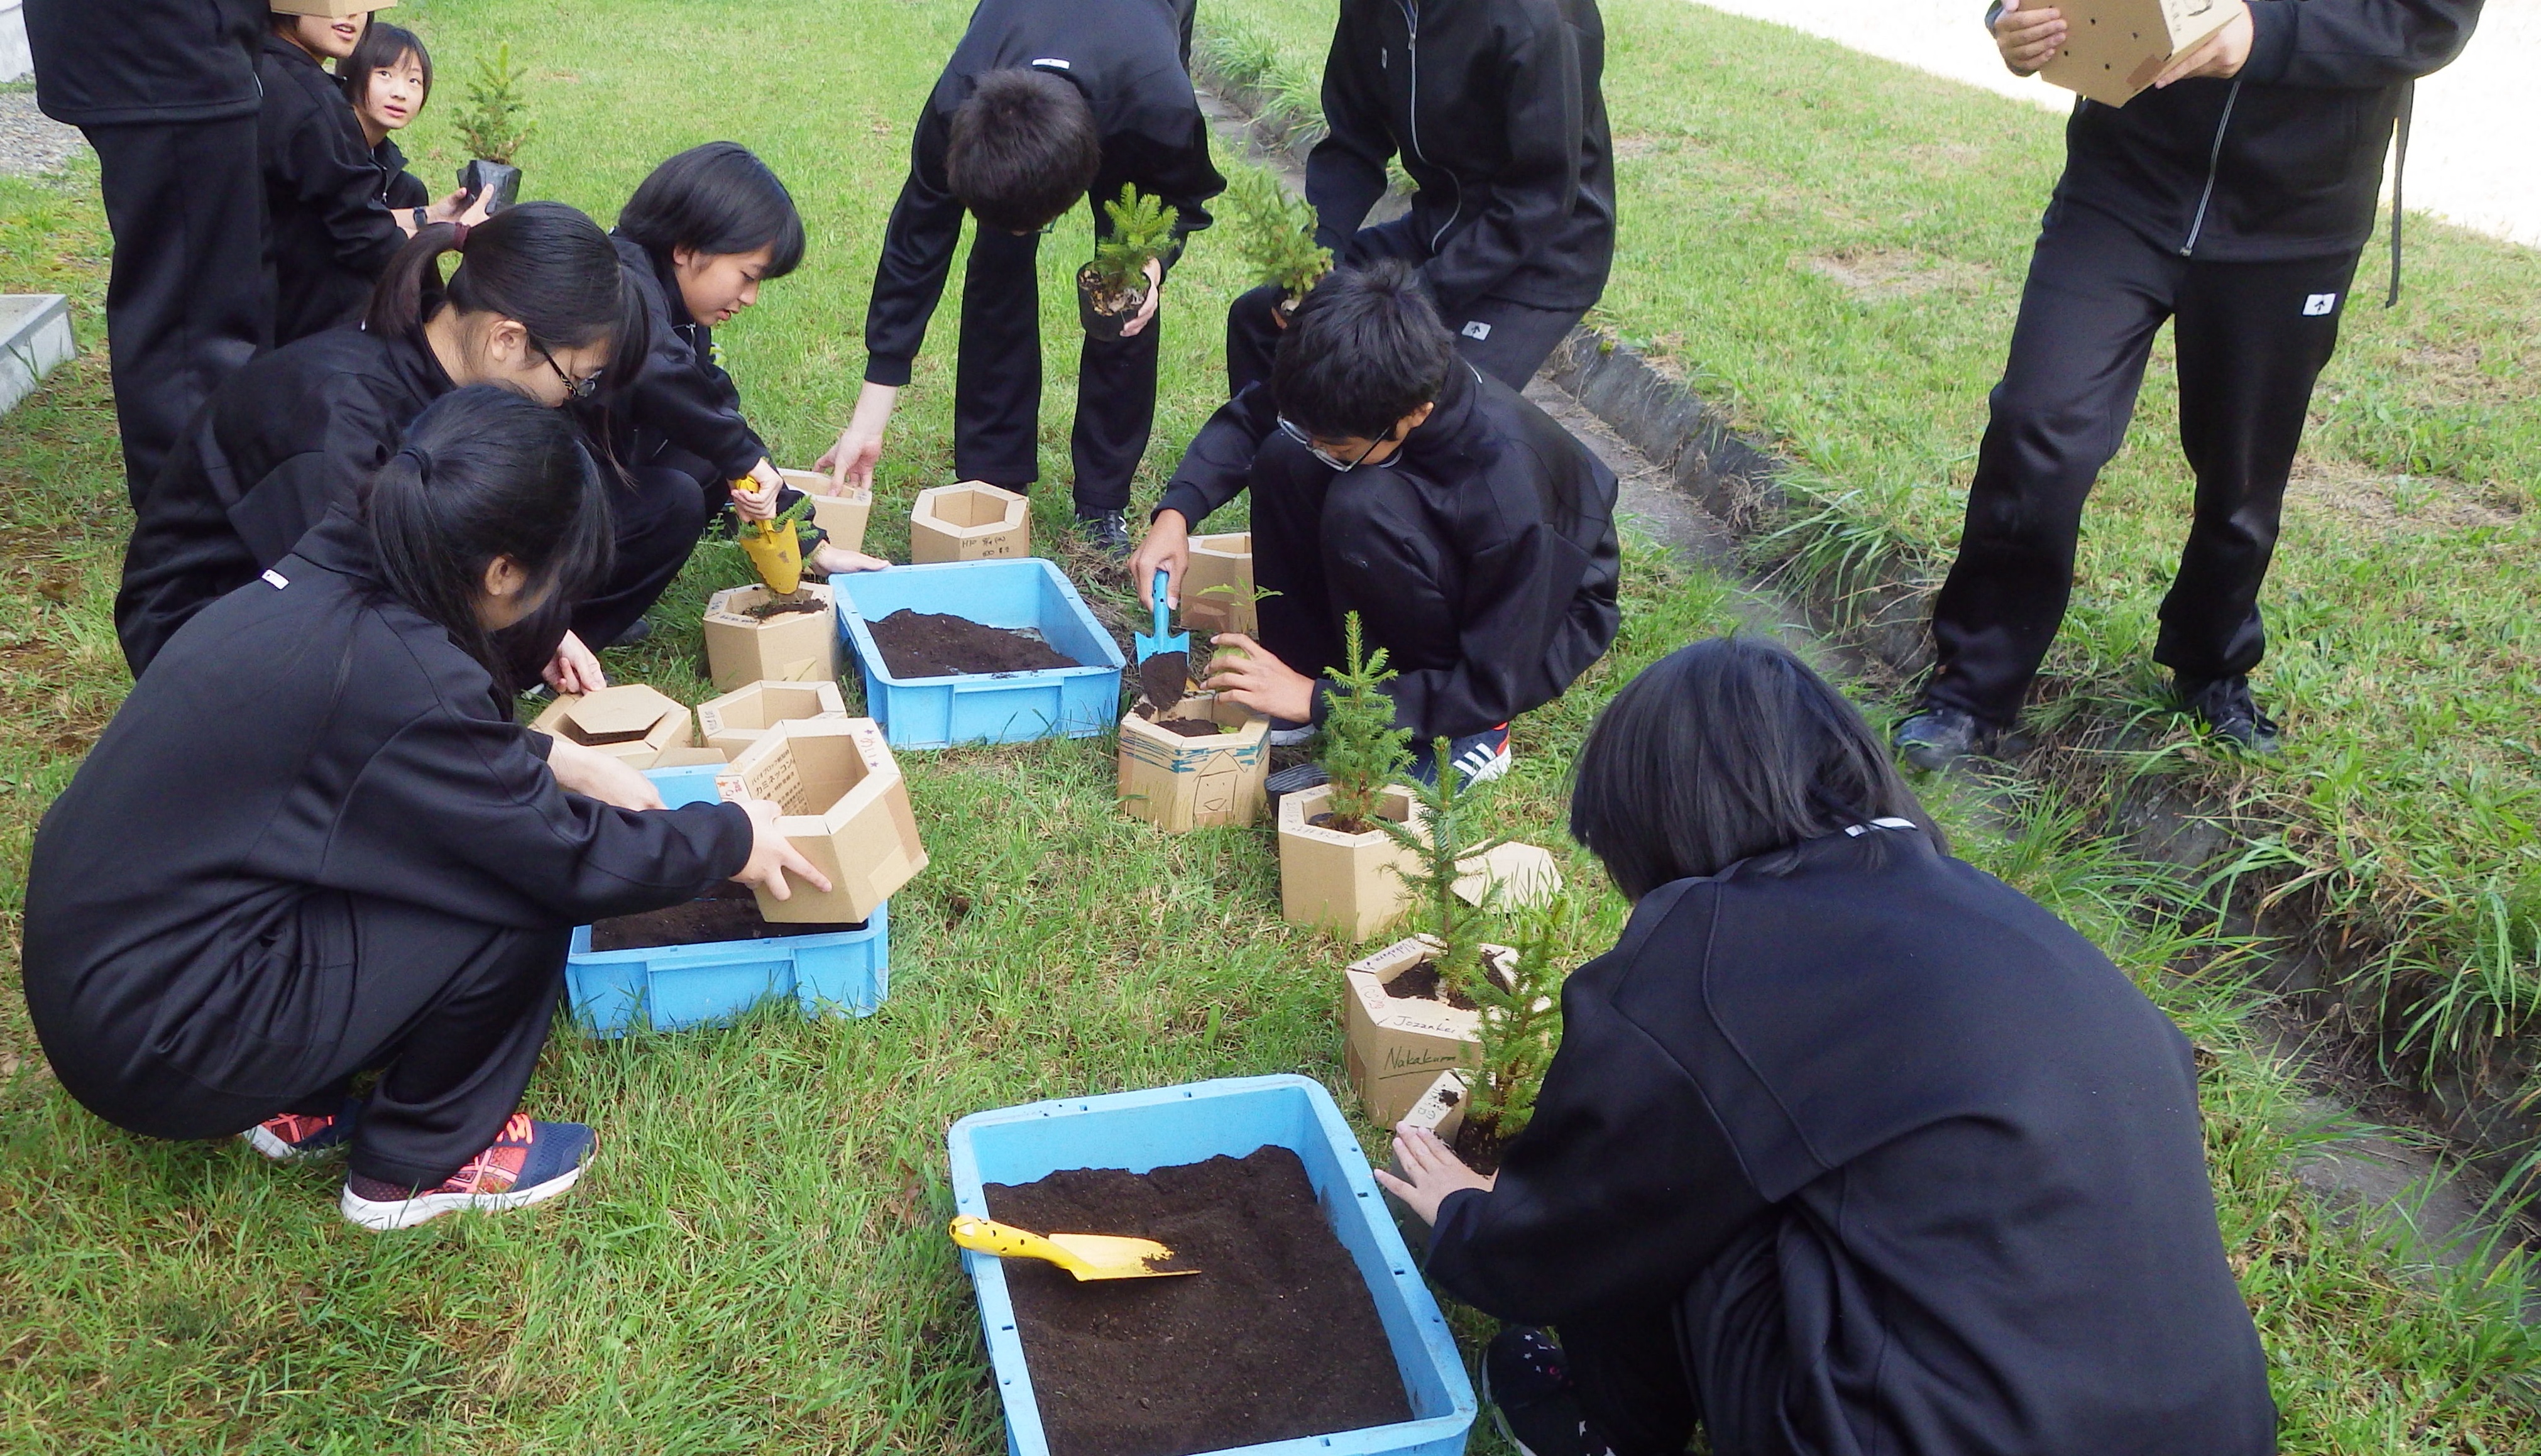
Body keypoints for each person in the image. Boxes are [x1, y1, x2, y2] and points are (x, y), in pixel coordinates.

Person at [1375, 636, 2278, 1456]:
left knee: (1684, 1180)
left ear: (1657, 820)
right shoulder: (1996, 918)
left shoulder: (1714, 942)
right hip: (2218, 1423)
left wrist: (1475, 1224)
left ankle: (1600, 1433)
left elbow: (1603, 1207)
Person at [22, 387, 834, 1232]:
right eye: (555, 581)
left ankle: (294, 1100)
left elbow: (365, 755)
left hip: (117, 980)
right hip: (164, 1041)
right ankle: (420, 1163)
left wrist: (559, 755)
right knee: (513, 891)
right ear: (501, 573)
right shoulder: (401, 671)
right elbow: (560, 856)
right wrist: (730, 835)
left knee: (436, 848)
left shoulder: (335, 558)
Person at [1892, 0, 2485, 768]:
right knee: (2039, 423)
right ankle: (1969, 689)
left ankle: (2209, 665)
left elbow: (2428, 18)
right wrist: (2014, 18)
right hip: (2121, 186)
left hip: (2295, 220)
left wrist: (2263, 34)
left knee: (2241, 474)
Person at [1129, 261, 1619, 785]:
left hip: (1532, 625)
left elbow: (1491, 677)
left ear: (1414, 414)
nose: (1322, 447)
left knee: (1362, 508)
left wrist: (1320, 702)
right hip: (1458, 551)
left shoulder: (1507, 492)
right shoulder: (1345, 370)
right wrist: (1175, 513)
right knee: (1284, 457)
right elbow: (1253, 421)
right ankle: (1304, 666)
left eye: (1338, 446)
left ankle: (1469, 735)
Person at [117, 202, 644, 685]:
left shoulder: (433, 368)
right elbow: (354, 606)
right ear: (506, 338)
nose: (569, 398)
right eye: (576, 379)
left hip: (308, 599)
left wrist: (543, 628)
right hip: (206, 631)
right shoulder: (337, 417)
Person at [821, 0, 1225, 557]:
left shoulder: (1156, 100)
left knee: (1124, 287)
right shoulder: (959, 100)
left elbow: (1180, 195)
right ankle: (994, 474)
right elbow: (917, 243)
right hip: (1024, 29)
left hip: (1139, 35)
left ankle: (1102, 500)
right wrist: (869, 417)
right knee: (998, 261)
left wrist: (1151, 268)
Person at [576, 143, 888, 650]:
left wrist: (808, 540)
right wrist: (737, 454)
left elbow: (713, 411)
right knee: (674, 502)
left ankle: (585, 605)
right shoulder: (614, 284)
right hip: (529, 501)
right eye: (747, 276)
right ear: (686, 246)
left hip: (590, 466)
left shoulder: (673, 301)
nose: (749, 299)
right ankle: (546, 640)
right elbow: (659, 372)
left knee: (703, 463)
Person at [1222, 0, 1615, 399]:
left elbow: (1540, 195)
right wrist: (1318, 256)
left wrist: (1417, 295)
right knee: (1261, 322)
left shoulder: (1535, 17)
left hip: (1543, 256)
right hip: (1439, 226)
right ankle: (1265, 459)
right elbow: (1354, 143)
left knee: (1427, 404)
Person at [22, 0, 272, 505]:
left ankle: (215, 500)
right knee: (191, 316)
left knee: (210, 290)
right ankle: (191, 523)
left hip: (174, 46)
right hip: (165, 48)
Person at [260, 1, 478, 345]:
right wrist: (456, 236)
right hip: (303, 339)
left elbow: (327, 216)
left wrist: (428, 217)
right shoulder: (311, 103)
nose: (349, 13)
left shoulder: (259, 71)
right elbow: (367, 242)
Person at [340, 20, 434, 213]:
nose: (400, 93)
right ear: (354, 72)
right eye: (385, 74)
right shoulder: (326, 151)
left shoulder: (404, 189)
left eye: (414, 81)